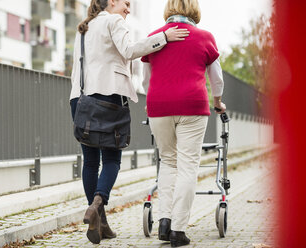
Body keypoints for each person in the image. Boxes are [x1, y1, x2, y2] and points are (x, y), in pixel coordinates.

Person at [69, 0, 189, 244]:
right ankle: (98, 204)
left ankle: (99, 220)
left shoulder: (85, 27)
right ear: (111, 1)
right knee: (112, 159)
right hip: (108, 97)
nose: (128, 9)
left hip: (79, 99)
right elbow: (130, 50)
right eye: (125, 3)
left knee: (90, 161)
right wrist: (163, 37)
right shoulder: (113, 20)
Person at [141, 0, 226, 247]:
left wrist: (151, 101)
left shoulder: (155, 37)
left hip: (159, 106)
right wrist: (218, 101)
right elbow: (217, 79)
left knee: (168, 161)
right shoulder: (205, 37)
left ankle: (164, 222)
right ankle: (178, 229)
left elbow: (145, 80)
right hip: (192, 105)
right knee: (188, 165)